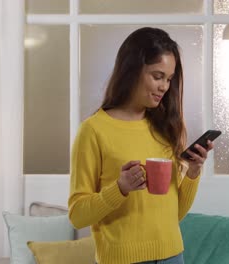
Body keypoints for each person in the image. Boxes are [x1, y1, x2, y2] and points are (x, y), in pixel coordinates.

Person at [68, 27, 214, 264]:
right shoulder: (93, 131)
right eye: (157, 76)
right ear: (132, 70)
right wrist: (120, 188)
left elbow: (174, 214)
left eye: (169, 79)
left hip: (172, 256)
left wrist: (193, 174)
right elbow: (77, 216)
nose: (164, 87)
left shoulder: (165, 128)